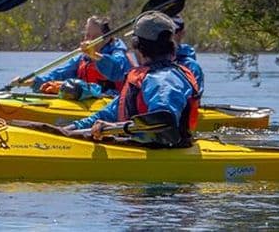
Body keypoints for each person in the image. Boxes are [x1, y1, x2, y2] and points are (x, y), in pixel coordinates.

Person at [64, 11, 200, 148]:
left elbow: (163, 123)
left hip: (164, 153)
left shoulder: (162, 80)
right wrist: (68, 129)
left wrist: (117, 127)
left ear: (138, 46)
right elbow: (108, 113)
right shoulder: (144, 78)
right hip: (139, 145)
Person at [26, 16, 131, 97]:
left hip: (113, 102)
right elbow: (60, 74)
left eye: (95, 37)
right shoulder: (82, 58)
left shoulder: (118, 53)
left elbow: (117, 69)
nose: (89, 40)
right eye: (87, 35)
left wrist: (94, 55)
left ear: (107, 39)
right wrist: (30, 83)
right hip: (87, 99)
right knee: (54, 86)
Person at [171, 15, 204, 97]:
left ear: (182, 33)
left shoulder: (191, 66)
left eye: (175, 32)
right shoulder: (151, 59)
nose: (171, 36)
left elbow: (195, 95)